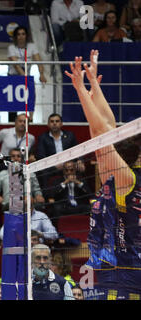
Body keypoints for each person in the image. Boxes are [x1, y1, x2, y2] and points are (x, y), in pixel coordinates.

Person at [65, 49, 141, 299]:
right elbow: (106, 129)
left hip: (126, 271)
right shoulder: (128, 176)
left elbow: (100, 136)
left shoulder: (126, 179)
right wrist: (94, 90)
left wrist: (80, 90)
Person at [36, 113, 83, 190]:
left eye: (57, 121)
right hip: (52, 167)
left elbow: (77, 150)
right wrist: (54, 165)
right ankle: (48, 197)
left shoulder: (70, 135)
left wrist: (80, 160)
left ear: (61, 124)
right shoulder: (43, 137)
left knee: (80, 167)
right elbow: (41, 156)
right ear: (48, 124)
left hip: (69, 165)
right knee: (43, 172)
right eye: (52, 121)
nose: (54, 123)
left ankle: (81, 196)